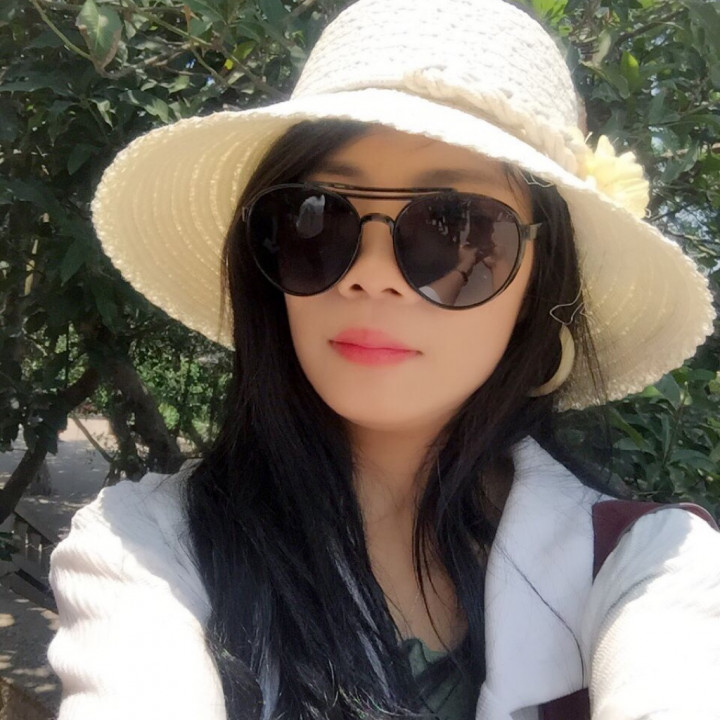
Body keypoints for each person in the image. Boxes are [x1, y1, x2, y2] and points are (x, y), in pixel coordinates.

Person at [46, 0, 720, 719]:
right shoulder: (144, 551)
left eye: (453, 227)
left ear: (537, 286)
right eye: (315, 218)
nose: (371, 274)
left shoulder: (651, 568)